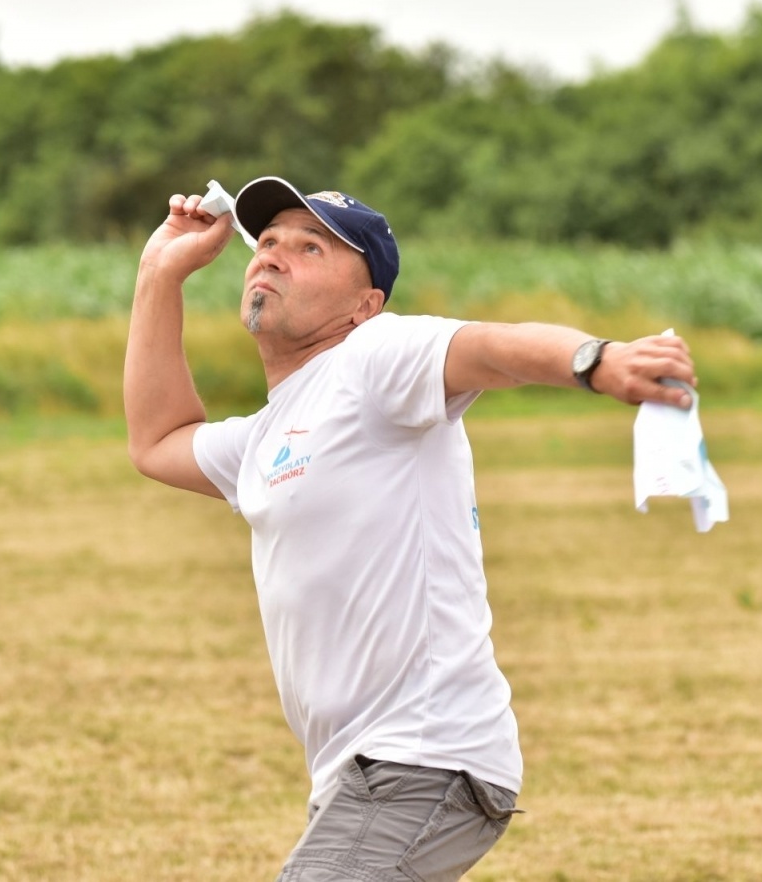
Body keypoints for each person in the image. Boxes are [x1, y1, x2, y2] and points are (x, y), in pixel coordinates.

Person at [123, 177, 697, 881]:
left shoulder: (374, 359)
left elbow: (490, 346)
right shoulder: (269, 434)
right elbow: (159, 439)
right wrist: (160, 274)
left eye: (310, 247)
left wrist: (596, 361)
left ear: (366, 306)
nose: (273, 255)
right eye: (267, 241)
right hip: (360, 776)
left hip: (423, 759)